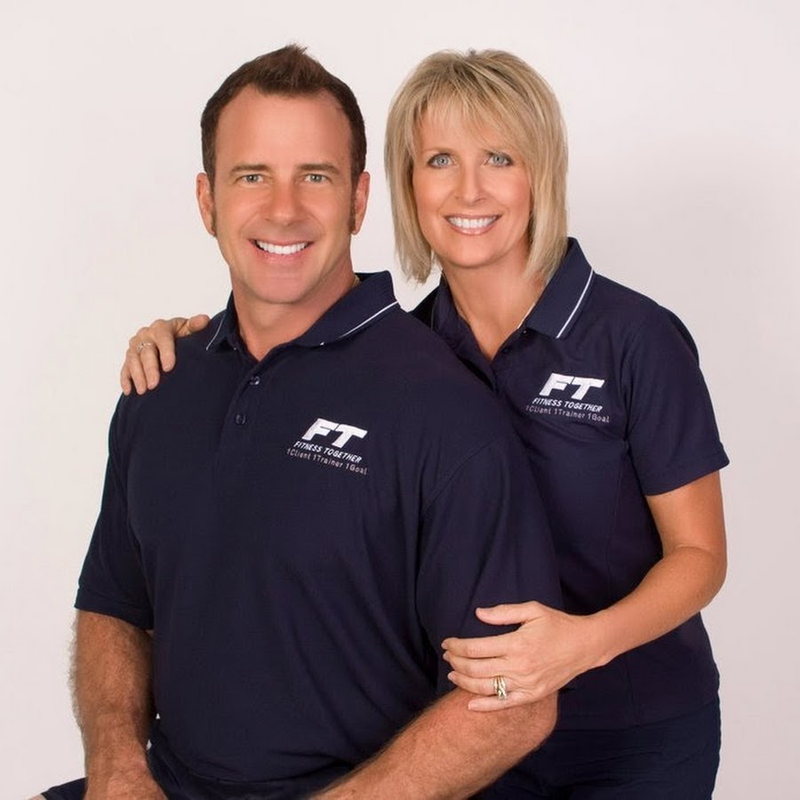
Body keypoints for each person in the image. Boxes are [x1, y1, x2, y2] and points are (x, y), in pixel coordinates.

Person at [124, 49, 729, 799]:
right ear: (406, 186)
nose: (468, 189)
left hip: (630, 736)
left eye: (499, 158)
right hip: (467, 726)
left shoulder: (632, 338)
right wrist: (190, 348)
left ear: (541, 174)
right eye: (441, 160)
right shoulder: (411, 355)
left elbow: (701, 556)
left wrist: (579, 645)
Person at [39, 46, 564, 800]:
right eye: (252, 176)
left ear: (358, 200)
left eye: (314, 177)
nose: (283, 210)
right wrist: (119, 771)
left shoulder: (445, 409)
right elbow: (114, 607)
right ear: (207, 200)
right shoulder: (160, 384)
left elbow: (516, 701)